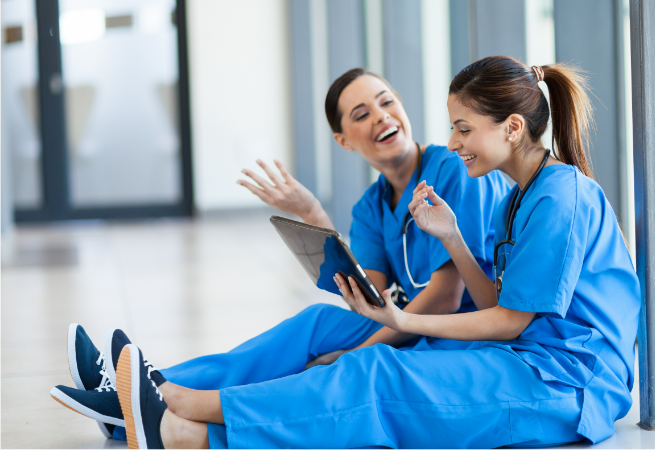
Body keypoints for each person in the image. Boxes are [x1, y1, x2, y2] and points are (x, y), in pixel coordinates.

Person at [49, 67, 509, 445]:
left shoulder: (452, 169)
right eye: (361, 113)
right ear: (343, 140)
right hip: (411, 322)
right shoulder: (371, 205)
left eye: (387, 102)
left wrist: (356, 350)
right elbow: (365, 296)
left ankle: (147, 398)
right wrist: (312, 214)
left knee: (352, 363)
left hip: (454, 331)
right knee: (313, 324)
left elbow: (447, 298)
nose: (381, 118)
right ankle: (136, 393)